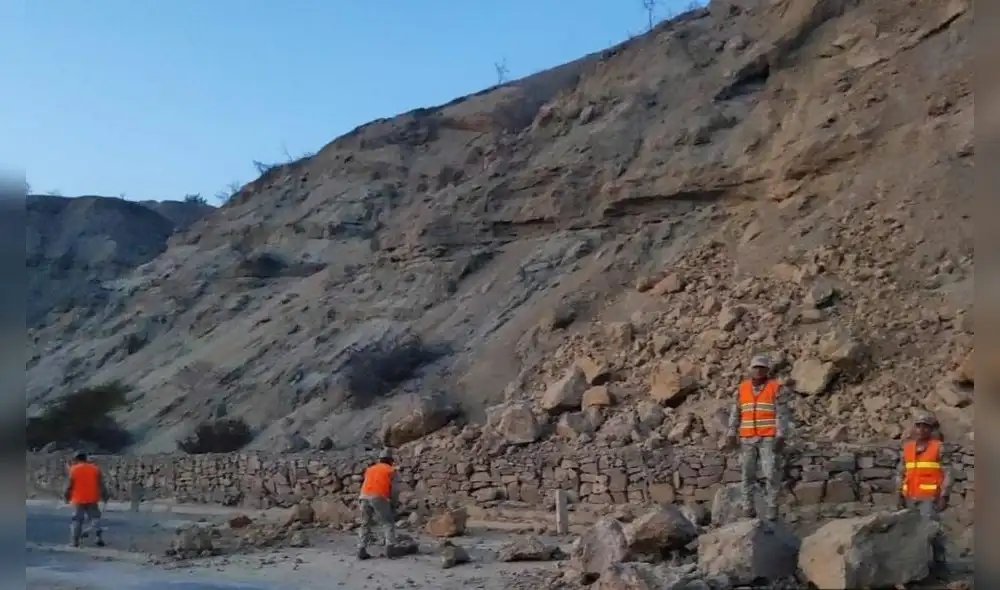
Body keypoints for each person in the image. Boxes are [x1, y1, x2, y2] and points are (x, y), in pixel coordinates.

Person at [724, 355, 791, 520]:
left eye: (762, 367)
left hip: (768, 437)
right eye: (755, 367)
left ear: (767, 370)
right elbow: (736, 412)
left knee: (771, 473)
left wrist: (781, 435)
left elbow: (782, 413)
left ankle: (772, 508)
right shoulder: (743, 388)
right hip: (747, 438)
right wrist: (731, 432)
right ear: (750, 369)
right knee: (747, 474)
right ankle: (748, 507)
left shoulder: (775, 388)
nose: (758, 370)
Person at [897, 414, 950, 569]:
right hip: (909, 496)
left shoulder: (938, 447)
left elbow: (948, 473)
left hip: (930, 497)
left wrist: (944, 495)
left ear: (931, 429)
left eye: (925, 426)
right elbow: (901, 472)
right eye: (918, 425)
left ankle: (940, 563)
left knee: (933, 530)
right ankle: (915, 565)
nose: (921, 429)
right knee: (910, 531)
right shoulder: (907, 448)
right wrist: (899, 493)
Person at [357, 448, 400, 560]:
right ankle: (390, 548)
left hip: (363, 496)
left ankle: (361, 548)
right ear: (391, 460)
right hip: (379, 496)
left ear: (380, 459)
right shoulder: (391, 470)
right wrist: (393, 503)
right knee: (388, 522)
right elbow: (394, 490)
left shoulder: (370, 469)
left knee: (365, 523)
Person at [64, 452, 108, 547]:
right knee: (95, 518)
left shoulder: (73, 469)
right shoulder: (95, 469)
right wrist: (105, 495)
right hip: (93, 498)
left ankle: (74, 542)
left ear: (76, 459)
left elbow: (69, 485)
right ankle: (98, 538)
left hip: (78, 499)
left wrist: (66, 496)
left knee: (77, 520)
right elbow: (101, 484)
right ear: (85, 459)